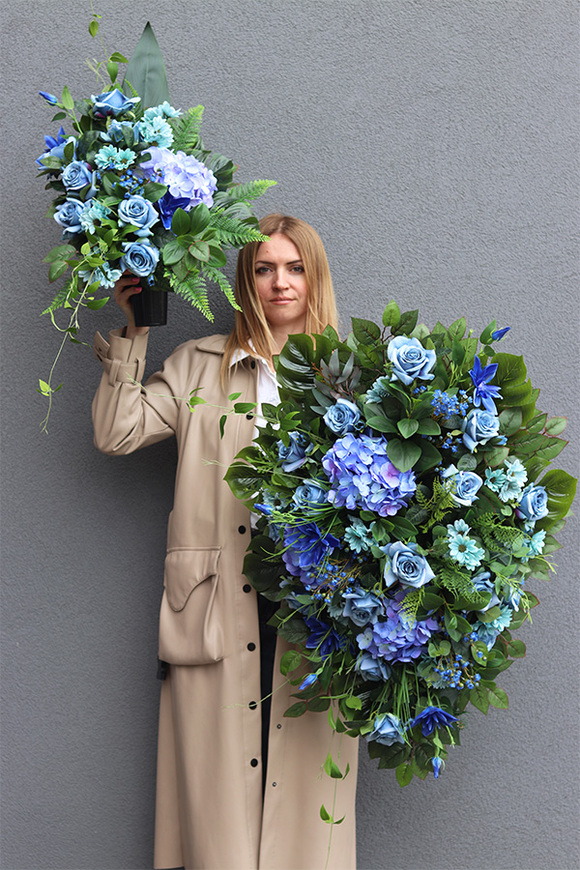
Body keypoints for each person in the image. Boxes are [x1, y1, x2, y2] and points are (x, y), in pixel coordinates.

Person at [92, 214, 359, 870]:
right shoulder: (199, 365)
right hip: (216, 606)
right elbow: (117, 432)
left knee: (306, 804)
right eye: (264, 268)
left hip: (317, 606)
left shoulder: (351, 379)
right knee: (219, 819)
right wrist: (137, 331)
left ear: (315, 276)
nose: (280, 282)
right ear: (245, 280)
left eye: (295, 267)